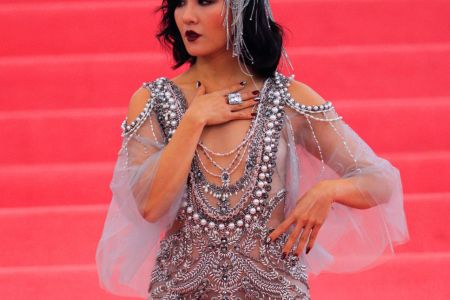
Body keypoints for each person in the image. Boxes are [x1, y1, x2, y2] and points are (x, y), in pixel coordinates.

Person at [95, 0, 410, 298]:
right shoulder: (154, 101)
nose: (187, 15)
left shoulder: (287, 99)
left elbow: (380, 179)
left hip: (275, 290)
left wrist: (327, 191)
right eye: (180, 3)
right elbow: (150, 208)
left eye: (205, 1)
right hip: (182, 291)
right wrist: (193, 120)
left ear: (242, 7)